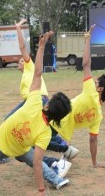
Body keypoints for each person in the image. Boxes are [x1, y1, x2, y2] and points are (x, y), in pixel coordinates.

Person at [0, 31, 72, 196]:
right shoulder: (45, 133)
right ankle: (56, 179)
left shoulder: (35, 102)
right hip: (20, 149)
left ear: (46, 106)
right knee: (33, 160)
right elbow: (37, 163)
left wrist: (42, 46)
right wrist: (41, 190)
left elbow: (37, 72)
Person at [7, 19, 77, 168]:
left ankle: (53, 161)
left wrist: (18, 28)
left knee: (11, 123)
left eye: (22, 60)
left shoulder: (29, 66)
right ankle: (65, 149)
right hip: (37, 100)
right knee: (40, 130)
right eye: (20, 61)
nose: (20, 62)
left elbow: (22, 47)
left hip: (37, 100)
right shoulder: (25, 74)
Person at [49, 24, 105, 168]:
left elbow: (86, 64)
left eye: (96, 81)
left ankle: (64, 150)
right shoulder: (98, 115)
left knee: (33, 143)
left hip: (55, 116)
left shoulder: (91, 91)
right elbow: (93, 139)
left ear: (100, 88)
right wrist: (94, 163)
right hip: (64, 129)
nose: (94, 80)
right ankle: (65, 148)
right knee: (40, 141)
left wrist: (87, 39)